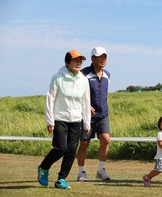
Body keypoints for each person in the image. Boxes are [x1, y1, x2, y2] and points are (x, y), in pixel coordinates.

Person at [37, 50, 91, 189]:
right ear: (67, 63)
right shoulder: (58, 77)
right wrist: (50, 121)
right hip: (60, 119)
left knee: (72, 151)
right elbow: (50, 98)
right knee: (61, 148)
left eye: (81, 61)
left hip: (76, 120)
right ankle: (43, 167)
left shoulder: (83, 80)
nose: (79, 63)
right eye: (75, 60)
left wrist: (87, 123)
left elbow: (86, 101)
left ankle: (61, 179)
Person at [76, 47, 111, 181]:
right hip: (87, 116)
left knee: (106, 140)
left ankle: (101, 170)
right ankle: (82, 172)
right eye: (100, 56)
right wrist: (86, 105)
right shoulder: (83, 74)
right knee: (85, 143)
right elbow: (77, 93)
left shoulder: (108, 74)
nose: (103, 59)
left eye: (105, 57)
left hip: (103, 115)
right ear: (92, 59)